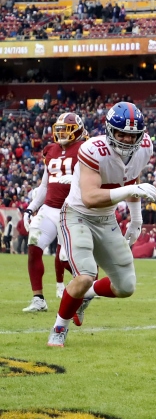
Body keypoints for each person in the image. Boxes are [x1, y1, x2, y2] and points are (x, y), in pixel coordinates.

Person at [47, 102, 156, 347]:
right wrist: (129, 190)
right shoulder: (93, 149)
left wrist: (136, 218)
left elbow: (133, 176)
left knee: (126, 286)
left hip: (106, 219)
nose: (127, 139)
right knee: (85, 274)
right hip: (77, 214)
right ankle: (59, 327)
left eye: (132, 135)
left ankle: (86, 294)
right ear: (110, 130)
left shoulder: (144, 147)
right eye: (121, 133)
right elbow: (90, 197)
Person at [22, 113, 86, 313]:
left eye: (66, 130)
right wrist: (31, 208)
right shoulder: (51, 150)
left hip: (73, 210)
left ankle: (87, 283)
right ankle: (38, 299)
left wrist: (77, 181)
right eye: (59, 130)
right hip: (49, 208)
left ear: (77, 131)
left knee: (66, 258)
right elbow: (44, 185)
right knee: (33, 246)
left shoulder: (85, 149)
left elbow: (95, 179)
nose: (61, 134)